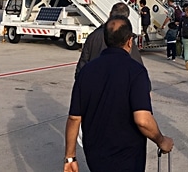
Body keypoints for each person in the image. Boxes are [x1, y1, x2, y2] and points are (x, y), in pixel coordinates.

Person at [64, 16, 174, 172]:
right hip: (128, 158)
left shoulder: (87, 71)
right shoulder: (136, 71)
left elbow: (74, 117)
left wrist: (70, 157)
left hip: (96, 157)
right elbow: (142, 119)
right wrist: (161, 141)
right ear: (129, 41)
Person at [74, 2, 143, 79]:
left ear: (110, 14)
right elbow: (139, 71)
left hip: (94, 84)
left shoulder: (93, 37)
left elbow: (80, 70)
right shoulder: (127, 39)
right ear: (127, 18)